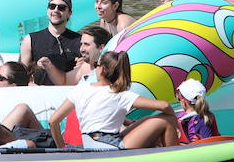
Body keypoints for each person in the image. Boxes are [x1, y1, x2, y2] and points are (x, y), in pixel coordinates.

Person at [48, 51, 179, 150]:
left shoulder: (81, 88)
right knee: (166, 120)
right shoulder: (119, 94)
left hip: (90, 143)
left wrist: (61, 149)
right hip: (109, 145)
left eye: (96, 65)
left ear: (102, 69)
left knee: (144, 121)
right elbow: (164, 105)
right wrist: (175, 120)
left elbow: (53, 121)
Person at [20, 0, 81, 86]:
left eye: (61, 8)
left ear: (69, 13)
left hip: (68, 92)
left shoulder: (79, 41)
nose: (56, 10)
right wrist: (31, 85)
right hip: (38, 92)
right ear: (47, 10)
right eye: (52, 6)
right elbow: (20, 74)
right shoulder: (30, 39)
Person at [40, 24, 112, 86]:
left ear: (101, 47)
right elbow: (64, 81)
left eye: (86, 44)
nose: (81, 49)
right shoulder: (86, 66)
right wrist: (49, 65)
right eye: (81, 44)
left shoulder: (113, 68)